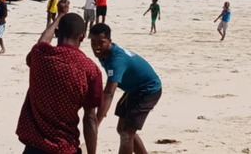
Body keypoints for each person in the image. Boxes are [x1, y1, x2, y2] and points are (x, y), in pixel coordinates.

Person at [16, 12, 103, 154]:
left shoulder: (41, 54)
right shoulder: (90, 70)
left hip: (34, 146)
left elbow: (43, 41)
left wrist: (59, 16)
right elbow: (90, 118)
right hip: (65, 147)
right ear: (82, 37)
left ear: (57, 33)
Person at [89, 23, 162, 154]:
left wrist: (96, 123)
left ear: (110, 41)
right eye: (93, 42)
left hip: (148, 90)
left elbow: (109, 93)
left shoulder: (116, 60)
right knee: (122, 129)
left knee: (126, 133)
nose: (97, 46)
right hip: (133, 89)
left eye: (101, 42)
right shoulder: (105, 53)